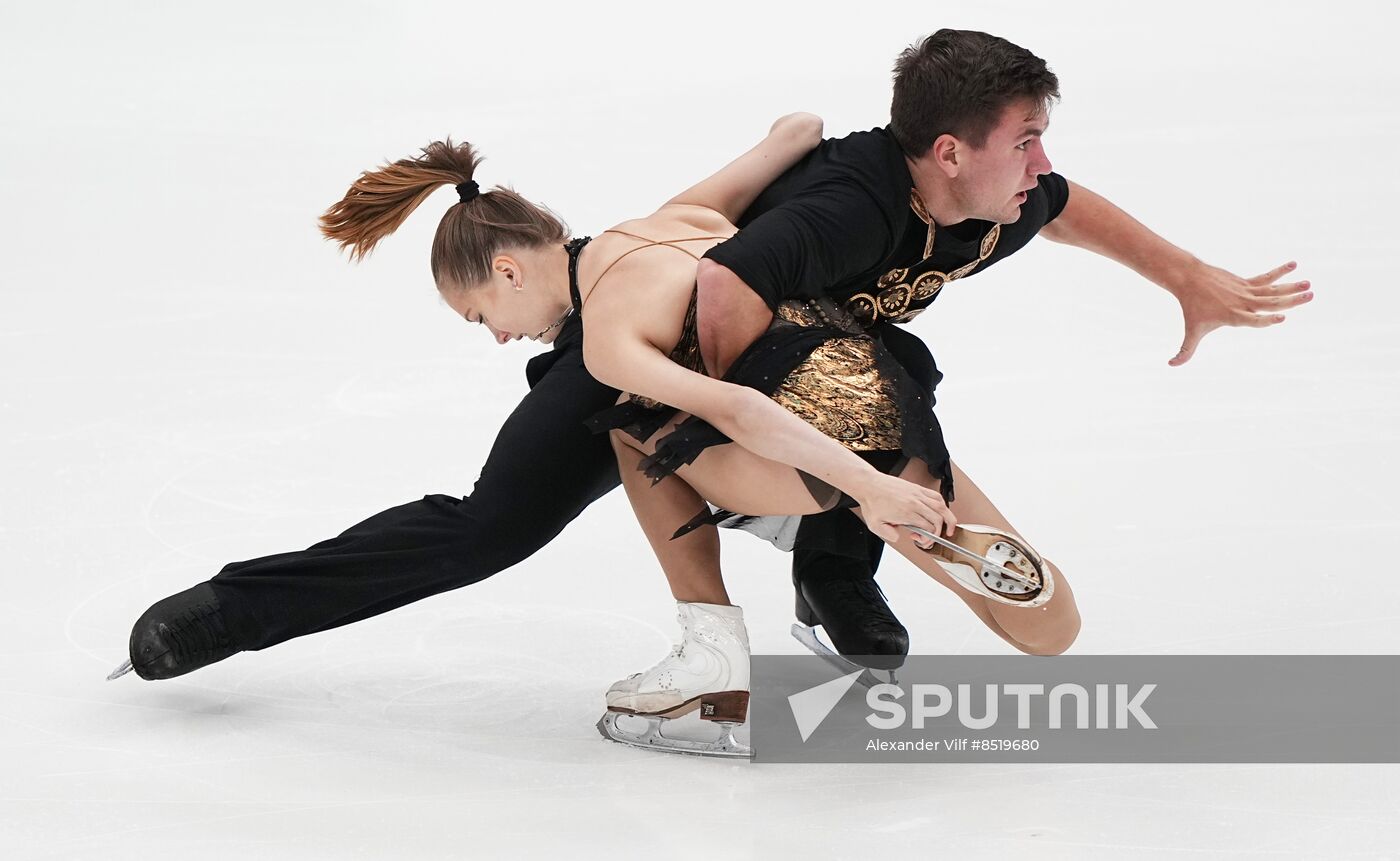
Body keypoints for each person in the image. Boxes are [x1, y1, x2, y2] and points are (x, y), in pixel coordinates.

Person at [108, 112, 908, 683]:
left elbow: (798, 139)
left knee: (868, 370)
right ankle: (231, 609)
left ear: (509, 272)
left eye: (481, 315)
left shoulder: (651, 247)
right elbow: (797, 130)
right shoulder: (658, 230)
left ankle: (830, 570)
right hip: (631, 374)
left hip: (685, 356)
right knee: (489, 527)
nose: (494, 336)